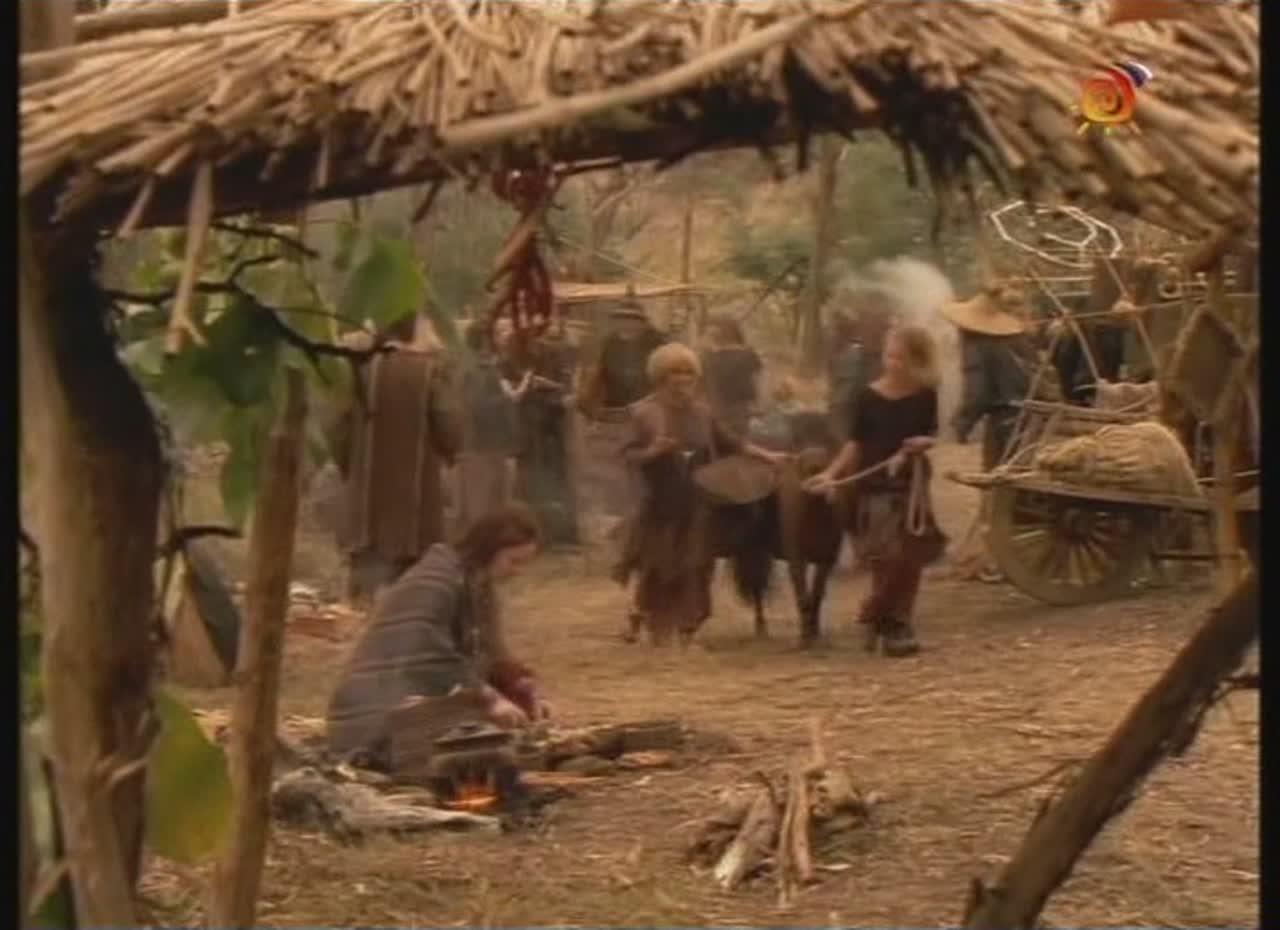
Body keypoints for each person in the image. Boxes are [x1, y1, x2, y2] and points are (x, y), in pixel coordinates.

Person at [326, 505, 548, 764]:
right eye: (514, 561)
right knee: (476, 748)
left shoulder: (476, 585)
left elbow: (489, 650)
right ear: (489, 550)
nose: (517, 571)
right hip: (372, 719)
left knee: (498, 738)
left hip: (414, 702)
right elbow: (429, 657)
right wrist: (488, 699)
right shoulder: (436, 580)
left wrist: (520, 686)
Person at [615, 343, 786, 645]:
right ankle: (641, 615)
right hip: (660, 499)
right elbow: (627, 455)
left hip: (699, 498)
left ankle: (688, 626)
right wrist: (653, 450)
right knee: (659, 565)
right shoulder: (643, 412)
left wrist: (768, 456)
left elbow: (732, 441)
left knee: (696, 563)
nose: (683, 379)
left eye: (688, 373)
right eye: (675, 373)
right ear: (661, 378)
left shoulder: (702, 412)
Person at [804, 325, 947, 657]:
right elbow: (854, 444)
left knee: (911, 554)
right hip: (875, 483)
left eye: (901, 358)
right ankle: (880, 616)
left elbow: (930, 434)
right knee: (886, 554)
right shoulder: (867, 397)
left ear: (917, 361)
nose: (893, 363)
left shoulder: (926, 394)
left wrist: (920, 444)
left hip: (912, 482)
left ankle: (896, 621)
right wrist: (830, 475)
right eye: (889, 356)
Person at [332, 314, 462, 604]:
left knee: (367, 601)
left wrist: (351, 469)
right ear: (412, 331)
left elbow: (338, 430)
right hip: (415, 516)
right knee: (412, 597)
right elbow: (451, 432)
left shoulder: (359, 370)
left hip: (366, 513)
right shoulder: (428, 371)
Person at [941, 289, 1033, 471]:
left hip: (1004, 417)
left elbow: (977, 393)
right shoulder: (1017, 339)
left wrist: (962, 424)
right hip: (1028, 414)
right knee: (1019, 467)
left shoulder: (976, 347)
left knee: (997, 472)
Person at [503, 330, 580, 546]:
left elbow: (567, 394)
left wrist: (551, 388)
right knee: (529, 485)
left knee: (554, 484)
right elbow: (509, 392)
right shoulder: (511, 356)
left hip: (550, 431)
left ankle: (560, 535)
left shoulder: (554, 354)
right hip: (528, 431)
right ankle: (531, 535)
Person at [455, 321, 520, 531]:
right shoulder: (478, 369)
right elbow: (478, 405)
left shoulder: (472, 366)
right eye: (494, 336)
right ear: (484, 341)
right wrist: (509, 397)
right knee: (483, 504)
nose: (498, 340)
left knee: (481, 502)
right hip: (483, 444)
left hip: (481, 443)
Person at [701, 315, 763, 438]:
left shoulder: (746, 355)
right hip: (721, 411)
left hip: (735, 411)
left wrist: (757, 407)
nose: (710, 334)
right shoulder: (709, 357)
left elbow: (757, 382)